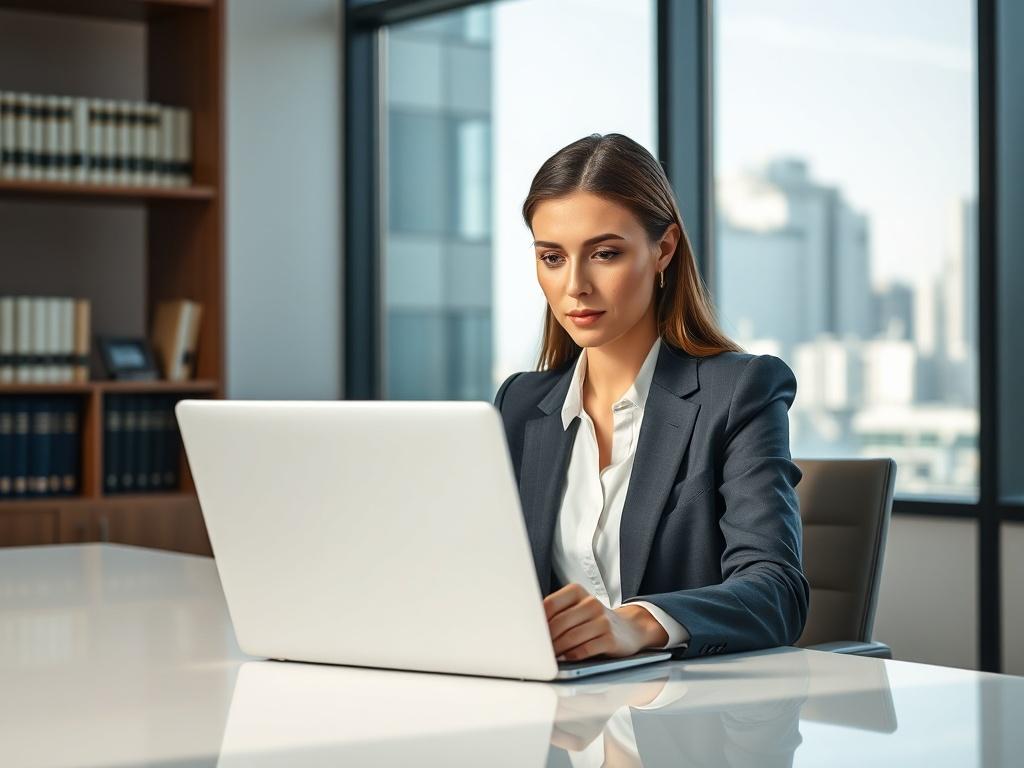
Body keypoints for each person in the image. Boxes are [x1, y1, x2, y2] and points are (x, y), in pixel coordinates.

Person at [493, 133, 808, 663]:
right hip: (556, 714)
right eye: (552, 257)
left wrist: (636, 625)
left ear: (663, 250)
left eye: (606, 254)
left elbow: (776, 591)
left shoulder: (739, 393)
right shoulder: (520, 404)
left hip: (683, 720)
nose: (575, 286)